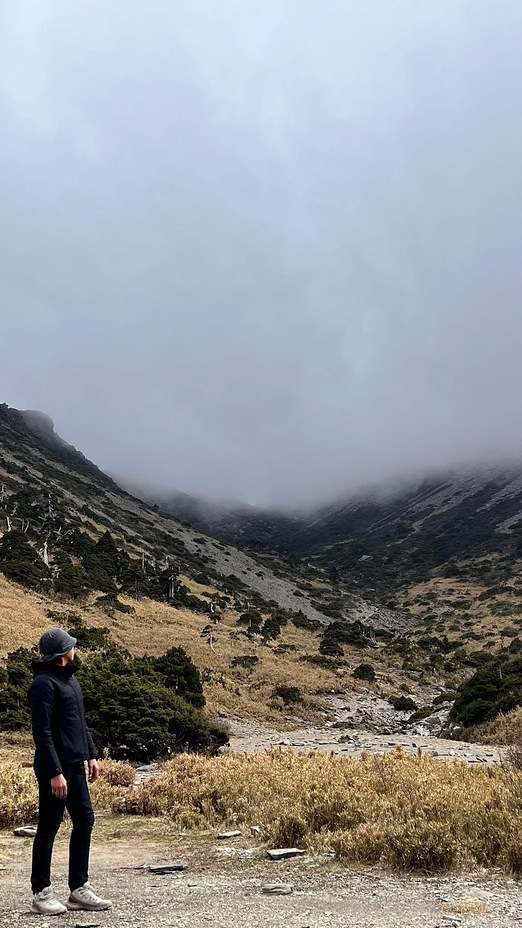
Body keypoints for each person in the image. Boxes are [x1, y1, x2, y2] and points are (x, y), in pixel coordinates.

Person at [28, 627, 112, 916]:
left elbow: (80, 722)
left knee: (85, 819)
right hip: (56, 769)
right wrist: (54, 771)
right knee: (49, 826)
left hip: (76, 765)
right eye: (71, 646)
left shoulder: (71, 679)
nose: (74, 649)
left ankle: (78, 888)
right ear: (61, 654)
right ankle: (41, 893)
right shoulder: (43, 684)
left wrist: (91, 754)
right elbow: (43, 731)